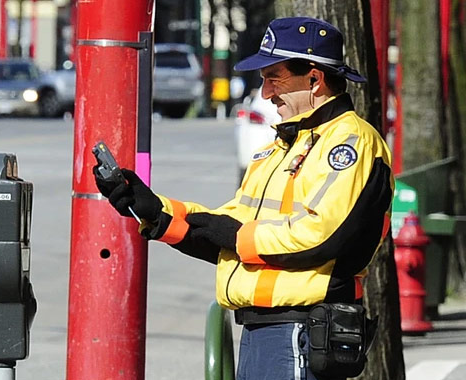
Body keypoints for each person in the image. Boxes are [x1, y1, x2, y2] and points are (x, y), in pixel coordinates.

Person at [94, 16, 394, 380]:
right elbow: (230, 223)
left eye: (274, 77)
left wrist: (232, 236)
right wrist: (155, 212)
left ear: (314, 79)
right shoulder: (283, 146)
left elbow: (320, 237)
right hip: (265, 331)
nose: (266, 92)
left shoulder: (350, 142)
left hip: (303, 331)